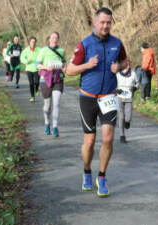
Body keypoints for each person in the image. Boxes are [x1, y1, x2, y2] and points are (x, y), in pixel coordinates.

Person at [66, 7, 127, 197]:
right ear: (95, 22)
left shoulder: (117, 43)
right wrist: (87, 65)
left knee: (108, 138)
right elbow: (69, 70)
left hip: (108, 96)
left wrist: (120, 67)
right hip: (88, 97)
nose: (105, 26)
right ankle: (86, 171)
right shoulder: (85, 44)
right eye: (102, 22)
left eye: (108, 22)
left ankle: (102, 177)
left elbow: (126, 62)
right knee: (90, 140)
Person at [36, 32, 66, 137]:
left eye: (56, 38)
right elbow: (37, 65)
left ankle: (55, 126)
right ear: (49, 39)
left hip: (58, 79)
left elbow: (64, 63)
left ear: (58, 40)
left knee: (56, 103)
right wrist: (46, 67)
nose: (54, 39)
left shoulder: (61, 51)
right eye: (53, 37)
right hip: (45, 79)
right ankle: (47, 124)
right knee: (47, 105)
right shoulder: (43, 50)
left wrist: (64, 67)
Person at [116, 59, 139, 143]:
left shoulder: (133, 74)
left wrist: (135, 88)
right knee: (121, 116)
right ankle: (122, 136)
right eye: (127, 65)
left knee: (127, 117)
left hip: (129, 97)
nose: (128, 66)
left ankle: (127, 122)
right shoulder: (118, 74)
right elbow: (113, 84)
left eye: (129, 64)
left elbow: (137, 83)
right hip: (119, 98)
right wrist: (116, 90)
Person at [21, 37, 41, 102]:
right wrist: (27, 61)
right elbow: (22, 58)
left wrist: (41, 62)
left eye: (34, 42)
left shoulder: (39, 49)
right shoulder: (26, 50)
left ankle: (37, 89)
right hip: (29, 68)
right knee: (31, 83)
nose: (33, 43)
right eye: (32, 42)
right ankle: (32, 96)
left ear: (36, 42)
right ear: (29, 42)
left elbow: (42, 57)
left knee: (37, 82)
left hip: (37, 68)